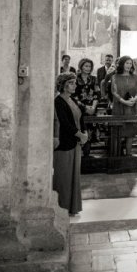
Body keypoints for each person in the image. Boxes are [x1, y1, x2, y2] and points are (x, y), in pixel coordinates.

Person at [53, 72, 87, 216]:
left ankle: (72, 207)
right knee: (64, 176)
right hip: (66, 142)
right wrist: (80, 135)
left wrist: (84, 133)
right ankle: (63, 207)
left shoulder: (71, 99)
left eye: (74, 82)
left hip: (75, 141)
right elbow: (65, 123)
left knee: (74, 176)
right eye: (71, 83)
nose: (74, 85)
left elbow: (79, 117)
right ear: (64, 85)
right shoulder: (59, 101)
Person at [111, 56, 137, 155]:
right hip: (119, 106)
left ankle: (128, 154)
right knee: (118, 131)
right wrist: (124, 101)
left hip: (131, 108)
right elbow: (114, 92)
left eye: (130, 63)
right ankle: (117, 155)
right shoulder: (115, 77)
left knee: (130, 132)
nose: (129, 65)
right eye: (127, 63)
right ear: (122, 64)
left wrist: (135, 98)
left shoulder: (135, 77)